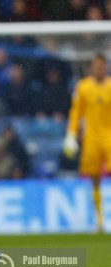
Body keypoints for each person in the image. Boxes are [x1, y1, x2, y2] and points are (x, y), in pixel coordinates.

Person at [63, 53, 111, 233]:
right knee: (94, 179)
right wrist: (71, 134)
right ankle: (99, 221)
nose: (100, 69)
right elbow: (76, 112)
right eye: (97, 66)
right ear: (91, 68)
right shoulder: (83, 87)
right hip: (91, 137)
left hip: (109, 135)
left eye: (103, 66)